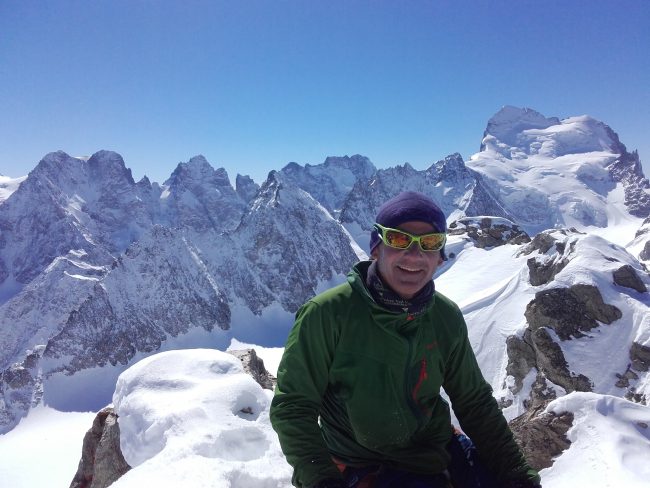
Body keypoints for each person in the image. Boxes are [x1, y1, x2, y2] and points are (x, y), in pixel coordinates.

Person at [270, 191, 541, 488]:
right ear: (376, 248)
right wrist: (321, 479)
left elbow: (473, 402)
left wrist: (517, 475)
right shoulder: (327, 314)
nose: (414, 255)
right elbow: (293, 407)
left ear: (440, 257)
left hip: (436, 451)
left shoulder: (444, 316)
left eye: (430, 243)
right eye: (399, 240)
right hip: (363, 463)